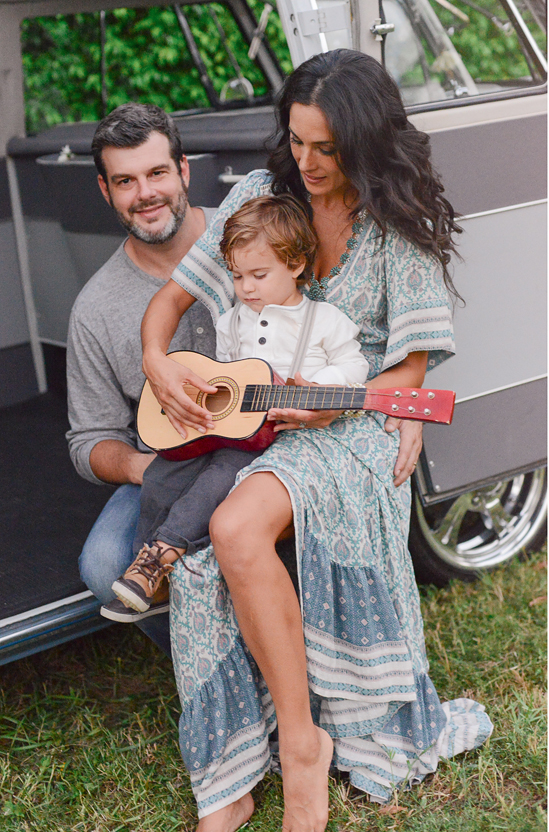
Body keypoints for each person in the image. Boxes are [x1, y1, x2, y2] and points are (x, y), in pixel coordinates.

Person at [139, 50, 490, 832]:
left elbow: (411, 373)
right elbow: (169, 302)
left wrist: (346, 404)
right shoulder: (262, 195)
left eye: (326, 147)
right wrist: (157, 360)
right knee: (202, 561)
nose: (307, 162)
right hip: (256, 423)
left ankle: (303, 748)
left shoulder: (402, 225)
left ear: (366, 140)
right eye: (296, 141)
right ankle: (233, 767)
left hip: (354, 424)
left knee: (231, 526)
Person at [110, 194, 370, 615]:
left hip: (277, 441)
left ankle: (162, 555)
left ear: (296, 265)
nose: (246, 287)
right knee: (162, 476)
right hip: (229, 430)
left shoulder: (323, 320)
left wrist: (319, 385)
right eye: (237, 276)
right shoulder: (231, 321)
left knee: (215, 482)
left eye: (259, 274)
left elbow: (355, 365)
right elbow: (229, 373)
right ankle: (147, 573)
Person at [67, 102, 215, 644]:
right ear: (106, 192)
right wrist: (143, 468)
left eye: (157, 173)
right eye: (125, 181)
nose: (146, 193)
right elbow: (88, 440)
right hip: (172, 463)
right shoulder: (96, 307)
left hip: (270, 445)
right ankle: (204, 665)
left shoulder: (248, 235)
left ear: (184, 171)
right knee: (106, 564)